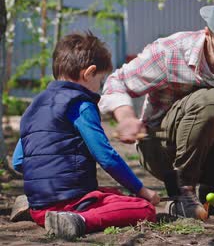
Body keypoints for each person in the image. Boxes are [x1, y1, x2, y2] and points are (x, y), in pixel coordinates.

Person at [99, 0, 214, 219]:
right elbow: (116, 82)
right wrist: (126, 117)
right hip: (162, 150)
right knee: (210, 100)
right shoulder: (171, 51)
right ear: (208, 34)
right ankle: (183, 191)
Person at [12, 32, 159, 240]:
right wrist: (143, 190)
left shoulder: (34, 106)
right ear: (89, 73)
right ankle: (78, 221)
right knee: (144, 208)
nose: (99, 86)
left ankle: (33, 207)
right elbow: (106, 157)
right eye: (100, 79)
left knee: (114, 194)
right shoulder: (81, 104)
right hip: (68, 203)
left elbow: (19, 161)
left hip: (39, 205)